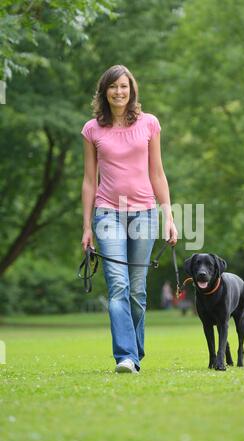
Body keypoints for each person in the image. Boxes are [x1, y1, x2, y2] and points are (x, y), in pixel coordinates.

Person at [81, 64, 178, 374]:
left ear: (132, 90)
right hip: (107, 212)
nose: (119, 92)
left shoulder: (149, 124)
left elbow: (157, 172)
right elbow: (88, 180)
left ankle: (134, 351)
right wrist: (87, 226)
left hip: (145, 214)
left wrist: (169, 217)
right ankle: (125, 356)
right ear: (104, 92)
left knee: (137, 290)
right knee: (119, 286)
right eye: (113, 87)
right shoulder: (92, 129)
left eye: (124, 86)